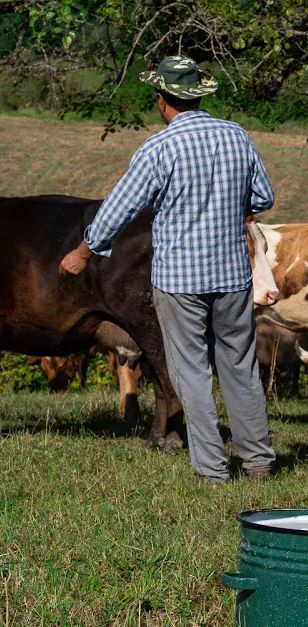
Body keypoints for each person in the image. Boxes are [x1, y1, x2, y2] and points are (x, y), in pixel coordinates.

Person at [59, 55, 277, 484]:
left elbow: (119, 207)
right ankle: (258, 462)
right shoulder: (236, 135)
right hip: (232, 274)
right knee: (240, 366)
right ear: (199, 94)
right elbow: (263, 196)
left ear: (162, 100)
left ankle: (212, 469)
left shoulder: (159, 148)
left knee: (191, 370)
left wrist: (84, 252)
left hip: (179, 279)